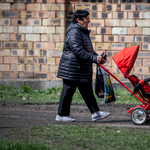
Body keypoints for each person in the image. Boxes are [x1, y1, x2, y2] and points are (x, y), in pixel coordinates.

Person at [55, 9, 110, 122]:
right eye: (87, 18)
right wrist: (94, 58)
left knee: (87, 91)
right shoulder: (74, 32)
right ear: (79, 20)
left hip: (81, 68)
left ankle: (96, 113)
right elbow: (78, 51)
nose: (89, 21)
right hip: (72, 68)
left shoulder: (82, 31)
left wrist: (98, 58)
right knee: (68, 91)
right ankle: (61, 115)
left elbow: (88, 50)